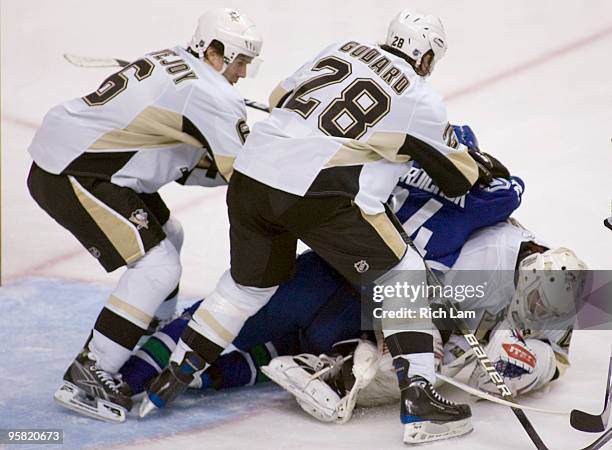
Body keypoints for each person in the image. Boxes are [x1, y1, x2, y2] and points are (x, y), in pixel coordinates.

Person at [141, 7, 500, 434]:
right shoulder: (420, 98)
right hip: (317, 193)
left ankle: (174, 376)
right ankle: (420, 401)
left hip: (251, 178)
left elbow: (277, 99)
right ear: (426, 58)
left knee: (245, 287)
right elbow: (458, 177)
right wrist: (475, 161)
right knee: (403, 273)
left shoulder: (342, 48)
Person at [26, 8, 262, 422]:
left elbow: (189, 163)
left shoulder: (175, 60)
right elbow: (248, 176)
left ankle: (146, 328)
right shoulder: (212, 96)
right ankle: (89, 371)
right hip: (75, 169)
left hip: (97, 164)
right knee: (159, 266)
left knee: (168, 235)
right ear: (213, 51)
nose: (242, 74)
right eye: (239, 62)